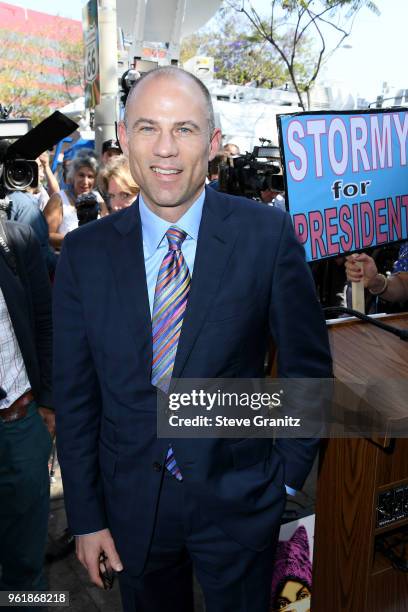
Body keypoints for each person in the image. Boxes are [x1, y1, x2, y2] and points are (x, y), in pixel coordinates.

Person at [53, 66, 332, 612]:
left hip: (240, 501)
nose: (165, 148)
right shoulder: (84, 254)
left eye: (184, 128)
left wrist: (284, 481)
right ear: (125, 139)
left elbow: (309, 371)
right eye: (148, 128)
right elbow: (77, 398)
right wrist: (86, 517)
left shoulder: (265, 235)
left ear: (214, 142)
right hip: (130, 508)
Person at [0, 219, 54, 600]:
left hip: (21, 424)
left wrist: (50, 402)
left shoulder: (14, 238)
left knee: (25, 571)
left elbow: (46, 322)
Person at [43, 154, 108, 250]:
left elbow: (107, 228)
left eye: (90, 176)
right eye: (81, 175)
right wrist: (76, 238)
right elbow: (46, 236)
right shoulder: (59, 199)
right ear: (72, 177)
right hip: (66, 259)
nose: (85, 182)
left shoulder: (97, 197)